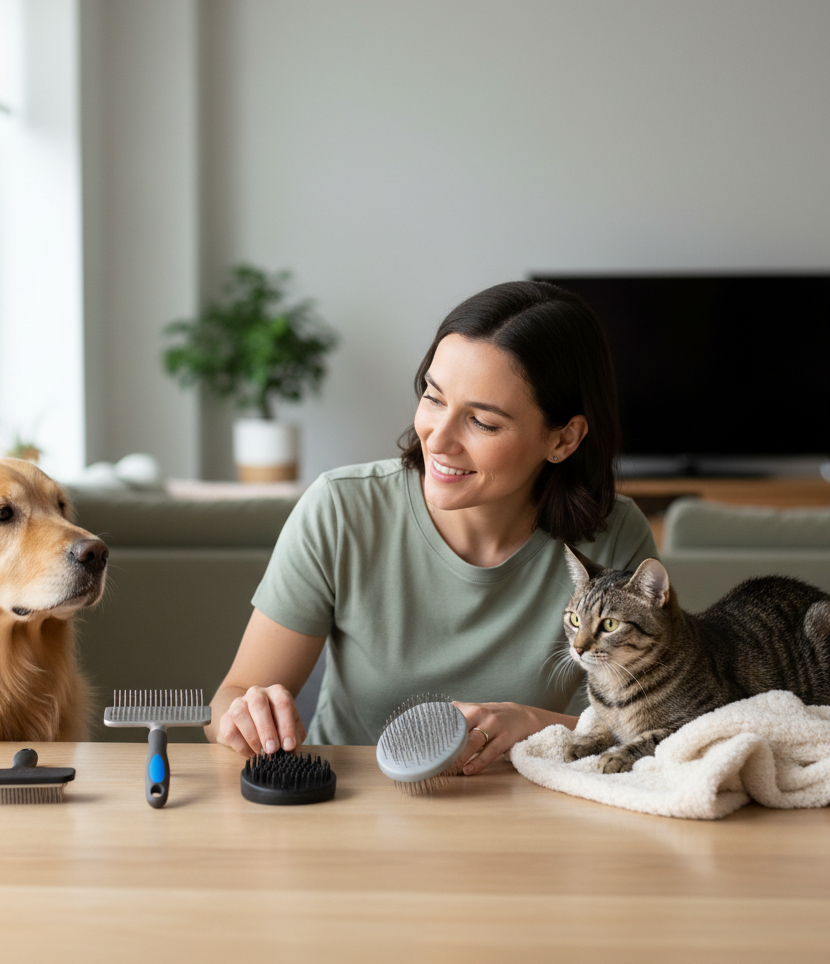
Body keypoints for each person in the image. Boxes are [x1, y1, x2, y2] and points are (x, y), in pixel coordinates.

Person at [207, 281, 658, 775]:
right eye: (433, 397)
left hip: (524, 815)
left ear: (564, 438)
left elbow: (650, 726)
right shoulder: (341, 509)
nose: (437, 440)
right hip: (347, 808)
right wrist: (244, 717)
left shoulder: (613, 538)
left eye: (482, 422)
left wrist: (530, 721)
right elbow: (230, 699)